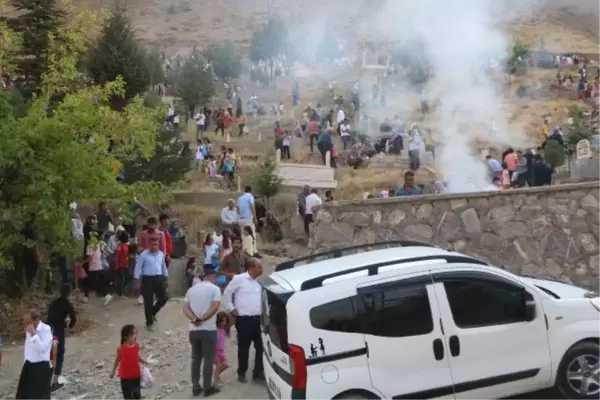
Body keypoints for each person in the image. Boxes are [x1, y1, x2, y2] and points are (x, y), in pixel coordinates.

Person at [223, 258, 264, 383]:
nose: (261, 270)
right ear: (251, 268)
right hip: (244, 320)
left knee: (260, 347)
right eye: (259, 268)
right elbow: (227, 293)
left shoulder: (261, 281)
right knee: (244, 348)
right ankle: (242, 372)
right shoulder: (239, 279)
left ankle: (258, 372)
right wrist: (231, 308)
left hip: (259, 319)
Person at [183, 269, 222, 397]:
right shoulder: (215, 289)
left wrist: (194, 319)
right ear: (211, 276)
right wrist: (203, 318)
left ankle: (195, 387)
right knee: (208, 359)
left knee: (196, 359)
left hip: (193, 330)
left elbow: (185, 308)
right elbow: (215, 306)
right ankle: (207, 388)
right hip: (208, 329)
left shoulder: (191, 290)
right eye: (215, 278)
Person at [46, 284, 77, 393]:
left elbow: (49, 316)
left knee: (48, 355)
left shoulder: (53, 303)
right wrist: (70, 326)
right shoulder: (67, 304)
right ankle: (54, 382)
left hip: (48, 330)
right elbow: (74, 317)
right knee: (59, 355)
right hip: (58, 332)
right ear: (69, 293)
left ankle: (45, 382)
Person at [133, 236, 169, 331]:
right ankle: (149, 322)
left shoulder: (161, 254)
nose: (155, 246)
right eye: (153, 244)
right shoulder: (143, 255)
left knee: (164, 297)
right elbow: (138, 268)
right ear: (149, 245)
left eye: (156, 244)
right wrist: (137, 281)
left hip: (159, 278)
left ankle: (152, 312)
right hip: (147, 280)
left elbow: (163, 266)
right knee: (148, 302)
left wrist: (165, 276)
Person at [16, 309, 53, 400]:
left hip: (41, 366)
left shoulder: (46, 329)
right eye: (25, 322)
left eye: (28, 322)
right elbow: (28, 349)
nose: (26, 325)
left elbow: (43, 348)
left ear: (36, 320)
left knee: (39, 395)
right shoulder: (29, 330)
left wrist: (34, 334)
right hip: (29, 365)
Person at [109, 324, 147, 400]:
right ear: (126, 337)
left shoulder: (136, 346)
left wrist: (142, 360)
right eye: (133, 334)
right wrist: (112, 371)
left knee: (137, 395)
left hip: (136, 376)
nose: (136, 336)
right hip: (125, 378)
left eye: (136, 333)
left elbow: (136, 356)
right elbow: (117, 360)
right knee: (127, 397)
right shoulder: (121, 349)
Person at [213, 312, 230, 386]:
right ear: (218, 321)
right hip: (214, 351)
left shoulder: (224, 329)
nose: (224, 323)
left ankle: (215, 376)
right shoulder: (214, 329)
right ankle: (216, 381)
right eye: (222, 321)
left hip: (221, 351)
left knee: (225, 365)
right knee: (218, 366)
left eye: (225, 321)